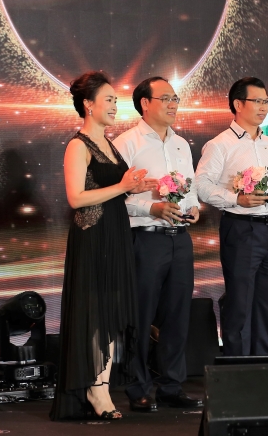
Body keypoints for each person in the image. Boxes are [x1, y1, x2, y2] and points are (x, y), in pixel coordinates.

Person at [51, 71, 151, 420]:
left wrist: (135, 187)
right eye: (108, 100)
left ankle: (102, 386)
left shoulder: (110, 144)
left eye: (114, 100)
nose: (114, 106)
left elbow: (113, 190)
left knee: (109, 311)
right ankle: (96, 390)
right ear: (88, 105)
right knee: (93, 313)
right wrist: (122, 186)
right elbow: (76, 198)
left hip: (116, 234)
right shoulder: (78, 146)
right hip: (92, 237)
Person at [114, 77, 204, 412]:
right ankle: (137, 386)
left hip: (180, 239)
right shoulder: (127, 144)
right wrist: (150, 208)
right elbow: (114, 199)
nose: (173, 104)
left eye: (175, 98)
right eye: (165, 98)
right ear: (144, 103)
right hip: (145, 239)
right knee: (140, 315)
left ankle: (171, 386)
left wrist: (193, 207)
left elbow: (189, 188)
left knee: (178, 315)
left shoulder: (181, 144)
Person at [195, 77, 268, 356]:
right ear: (238, 104)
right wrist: (236, 199)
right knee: (240, 302)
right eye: (258, 101)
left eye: (267, 101)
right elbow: (201, 186)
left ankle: (264, 363)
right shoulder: (220, 144)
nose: (264, 107)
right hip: (241, 228)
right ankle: (237, 365)